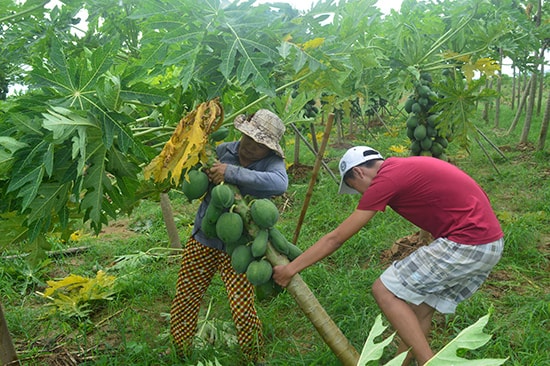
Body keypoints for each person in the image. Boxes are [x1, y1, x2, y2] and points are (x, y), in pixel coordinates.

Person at [272, 146, 503, 366]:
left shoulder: (386, 178)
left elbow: (336, 238)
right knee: (421, 308)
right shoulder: (403, 167)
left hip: (469, 242)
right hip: (490, 242)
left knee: (383, 290)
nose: (361, 194)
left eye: (356, 187)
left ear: (359, 172)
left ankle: (429, 362)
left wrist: (291, 269)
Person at [170, 109, 288, 365]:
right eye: (247, 139)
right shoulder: (223, 151)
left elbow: (280, 184)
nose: (249, 148)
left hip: (240, 248)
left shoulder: (273, 165)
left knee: (242, 306)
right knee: (186, 296)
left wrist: (230, 173)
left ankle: (254, 357)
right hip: (204, 239)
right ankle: (181, 352)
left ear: (269, 150)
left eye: (258, 146)